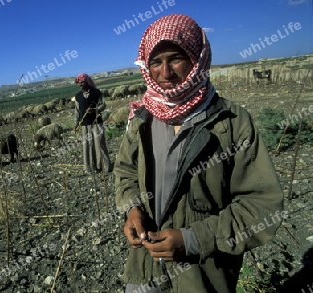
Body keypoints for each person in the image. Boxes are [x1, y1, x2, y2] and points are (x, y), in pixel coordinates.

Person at [114, 14, 284, 293]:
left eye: (176, 58)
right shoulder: (142, 119)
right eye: (155, 62)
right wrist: (132, 209)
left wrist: (193, 240)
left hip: (202, 275)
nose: (165, 72)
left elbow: (262, 205)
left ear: (197, 58)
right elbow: (125, 171)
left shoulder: (231, 122)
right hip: (144, 272)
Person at [73, 73, 112, 173]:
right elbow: (77, 111)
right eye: (79, 83)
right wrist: (76, 123)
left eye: (82, 82)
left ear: (87, 82)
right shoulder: (77, 96)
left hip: (97, 122)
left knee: (100, 144)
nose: (81, 84)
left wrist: (95, 109)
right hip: (85, 124)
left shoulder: (97, 93)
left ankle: (105, 167)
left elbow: (103, 105)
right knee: (88, 145)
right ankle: (90, 167)